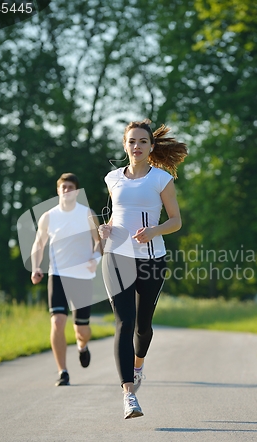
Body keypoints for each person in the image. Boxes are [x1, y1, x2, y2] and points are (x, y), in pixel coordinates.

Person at [98, 119, 188, 419]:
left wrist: (154, 231)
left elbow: (176, 220)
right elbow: (117, 217)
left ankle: (138, 365)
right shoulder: (112, 178)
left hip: (151, 258)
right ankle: (128, 394)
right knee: (124, 322)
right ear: (125, 145)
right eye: (132, 141)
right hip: (116, 257)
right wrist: (106, 229)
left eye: (142, 142)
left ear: (151, 147)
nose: (136, 146)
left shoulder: (161, 180)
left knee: (142, 326)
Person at [31, 173, 102, 386]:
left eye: (70, 187)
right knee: (58, 321)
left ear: (76, 191)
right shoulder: (48, 216)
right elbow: (39, 244)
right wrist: (35, 267)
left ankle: (82, 346)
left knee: (82, 330)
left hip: (82, 276)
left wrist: (95, 259)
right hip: (58, 274)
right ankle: (62, 371)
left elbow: (99, 242)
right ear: (58, 190)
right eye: (63, 187)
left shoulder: (87, 214)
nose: (66, 190)